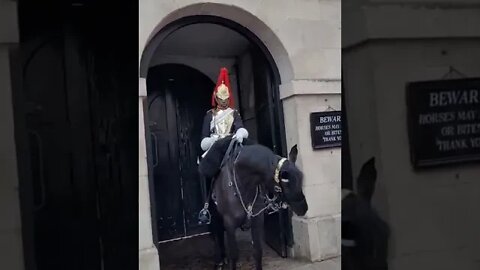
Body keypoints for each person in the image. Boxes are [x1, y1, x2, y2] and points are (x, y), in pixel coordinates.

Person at [197, 67, 250, 224]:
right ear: (216, 98)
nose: (224, 102)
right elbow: (203, 140)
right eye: (221, 99)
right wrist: (213, 141)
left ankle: (252, 203)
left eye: (226, 99)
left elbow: (240, 126)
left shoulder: (234, 113)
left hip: (232, 144)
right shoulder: (209, 115)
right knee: (208, 170)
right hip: (216, 147)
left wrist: (240, 132)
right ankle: (207, 206)